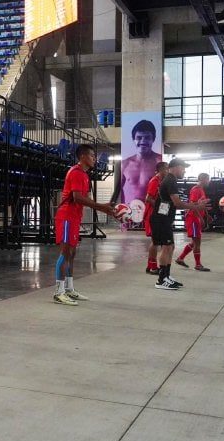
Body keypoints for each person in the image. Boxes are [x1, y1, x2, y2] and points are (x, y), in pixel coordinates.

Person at [53, 144, 115, 305]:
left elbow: (84, 199)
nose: (94, 159)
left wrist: (103, 206)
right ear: (82, 157)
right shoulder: (76, 173)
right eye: (92, 155)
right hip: (66, 216)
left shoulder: (85, 175)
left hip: (74, 217)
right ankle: (59, 292)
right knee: (65, 253)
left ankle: (69, 289)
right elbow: (77, 198)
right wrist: (102, 207)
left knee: (72, 253)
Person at [150, 159, 210, 290]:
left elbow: (173, 204)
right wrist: (197, 207)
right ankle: (161, 280)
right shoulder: (170, 180)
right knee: (166, 247)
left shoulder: (171, 180)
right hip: (160, 220)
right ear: (176, 167)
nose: (184, 170)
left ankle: (166, 276)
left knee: (170, 246)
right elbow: (177, 203)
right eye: (183, 168)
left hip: (164, 219)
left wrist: (196, 206)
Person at [120, 120, 163, 204]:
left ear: (153, 139)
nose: (143, 141)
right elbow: (119, 189)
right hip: (132, 211)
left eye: (147, 138)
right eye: (139, 138)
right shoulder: (125, 163)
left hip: (152, 210)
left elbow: (166, 189)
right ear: (133, 139)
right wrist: (122, 206)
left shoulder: (160, 161)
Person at [175, 173, 212, 271]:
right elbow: (192, 205)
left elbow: (200, 205)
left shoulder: (201, 190)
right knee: (197, 242)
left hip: (195, 218)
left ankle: (180, 258)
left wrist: (207, 215)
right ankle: (198, 265)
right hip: (193, 218)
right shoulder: (196, 190)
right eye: (208, 179)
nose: (209, 181)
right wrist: (200, 218)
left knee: (194, 242)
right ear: (202, 179)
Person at [144, 161, 168, 274]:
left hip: (158, 214)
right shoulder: (155, 181)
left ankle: (151, 266)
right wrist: (160, 208)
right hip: (152, 214)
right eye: (167, 169)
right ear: (161, 169)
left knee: (156, 241)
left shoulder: (162, 182)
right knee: (155, 241)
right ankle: (153, 267)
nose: (168, 171)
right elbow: (148, 198)